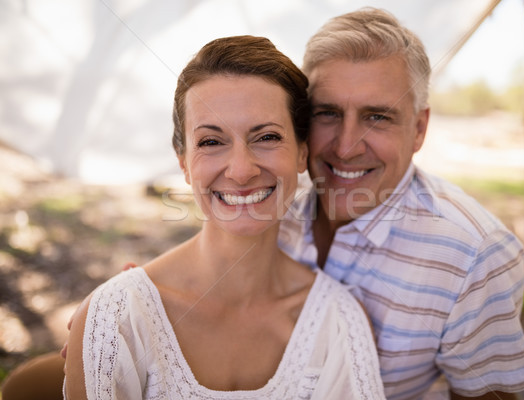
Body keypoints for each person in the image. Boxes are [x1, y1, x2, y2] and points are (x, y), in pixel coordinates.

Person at [62, 35, 385, 399]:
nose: (242, 170)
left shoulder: (338, 323)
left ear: (301, 154)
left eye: (266, 136)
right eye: (211, 142)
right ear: (183, 162)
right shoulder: (118, 318)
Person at [277, 7, 524, 400]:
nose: (346, 147)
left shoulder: (474, 254)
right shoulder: (269, 208)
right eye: (327, 113)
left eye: (377, 117)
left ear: (418, 128)